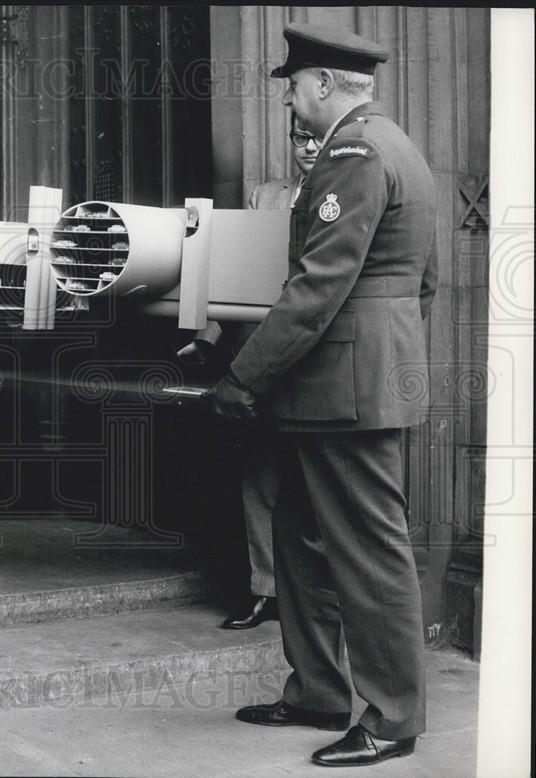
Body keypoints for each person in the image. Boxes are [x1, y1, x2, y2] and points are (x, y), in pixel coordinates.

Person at [212, 22, 437, 768]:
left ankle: (393, 719)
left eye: (294, 87)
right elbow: (422, 284)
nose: (290, 102)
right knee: (300, 540)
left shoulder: (353, 152)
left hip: (344, 387)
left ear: (322, 84)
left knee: (369, 553)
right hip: (348, 380)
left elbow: (318, 286)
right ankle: (317, 691)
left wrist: (245, 374)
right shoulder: (398, 146)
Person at [218, 114, 322, 631]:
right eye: (299, 138)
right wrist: (208, 336)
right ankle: (264, 589)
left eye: (317, 137)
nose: (308, 146)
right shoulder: (266, 196)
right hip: (259, 348)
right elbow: (235, 269)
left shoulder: (348, 189)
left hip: (317, 354)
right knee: (260, 472)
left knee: (314, 479)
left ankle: (314, 601)